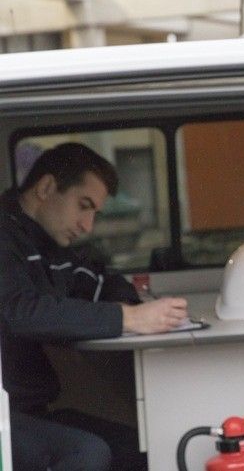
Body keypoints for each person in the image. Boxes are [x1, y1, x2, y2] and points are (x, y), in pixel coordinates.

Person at [0, 142, 189, 470]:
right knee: (87, 453)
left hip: (31, 410)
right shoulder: (5, 237)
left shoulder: (50, 246)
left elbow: (100, 281)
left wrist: (131, 305)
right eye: (83, 206)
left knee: (141, 448)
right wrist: (129, 318)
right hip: (5, 413)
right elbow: (19, 311)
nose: (87, 225)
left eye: (94, 213)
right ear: (46, 187)